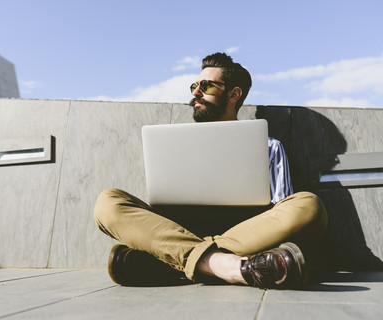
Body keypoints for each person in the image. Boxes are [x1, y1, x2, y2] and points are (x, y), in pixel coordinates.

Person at [93, 53, 328, 289]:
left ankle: (174, 262)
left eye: (205, 86)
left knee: (308, 205)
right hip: (180, 230)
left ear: (234, 94)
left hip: (244, 234)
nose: (195, 92)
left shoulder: (269, 147)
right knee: (107, 202)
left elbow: (280, 213)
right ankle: (231, 266)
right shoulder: (173, 143)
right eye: (194, 86)